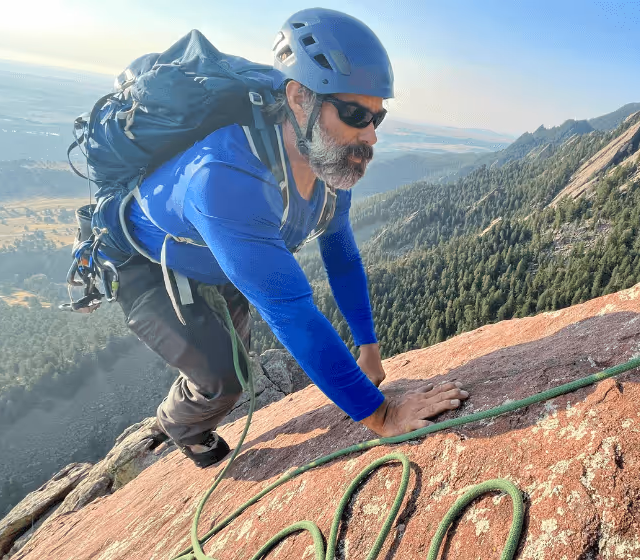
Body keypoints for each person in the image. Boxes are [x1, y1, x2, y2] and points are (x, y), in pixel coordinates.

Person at [110, 8, 469, 468]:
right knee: (222, 379)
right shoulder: (224, 178)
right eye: (356, 114)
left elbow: (340, 254)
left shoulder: (325, 165)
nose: (370, 136)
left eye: (378, 119)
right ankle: (179, 424)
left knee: (235, 359)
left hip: (219, 253)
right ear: (299, 98)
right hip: (151, 266)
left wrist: (370, 351)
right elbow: (291, 312)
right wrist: (382, 415)